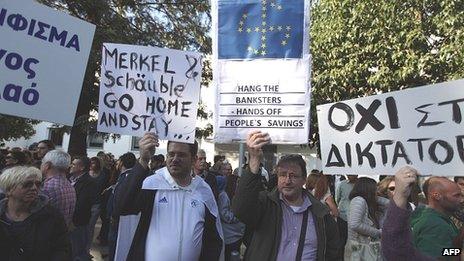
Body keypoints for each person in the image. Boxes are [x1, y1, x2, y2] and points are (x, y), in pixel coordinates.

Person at [233, 131, 340, 260]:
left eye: (293, 175)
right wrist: (254, 160)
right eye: (283, 175)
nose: (287, 180)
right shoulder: (266, 205)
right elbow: (241, 209)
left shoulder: (321, 214)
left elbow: (333, 253)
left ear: (304, 180)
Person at [114, 133, 223, 260]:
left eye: (181, 155)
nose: (175, 159)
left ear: (193, 159)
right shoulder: (152, 185)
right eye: (171, 154)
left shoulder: (203, 190)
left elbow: (213, 239)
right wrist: (143, 161)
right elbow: (121, 207)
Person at [0, 166, 71, 260]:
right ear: (9, 190)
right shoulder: (2, 216)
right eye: (27, 184)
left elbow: (62, 248)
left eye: (38, 184)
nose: (34, 188)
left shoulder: (51, 215)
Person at [381, 166, 435, 261]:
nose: (397, 191)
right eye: (392, 188)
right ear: (385, 191)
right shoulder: (382, 208)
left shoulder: (415, 208)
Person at [410, 176, 464, 258]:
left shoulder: (440, 219)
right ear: (437, 196)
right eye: (456, 196)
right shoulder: (433, 224)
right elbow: (437, 254)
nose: (461, 200)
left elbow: (445, 250)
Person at [346, 177, 389, 261]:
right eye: (375, 189)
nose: (376, 191)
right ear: (368, 189)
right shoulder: (359, 200)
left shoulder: (364, 201)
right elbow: (354, 224)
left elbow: (389, 204)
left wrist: (375, 198)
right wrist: (377, 232)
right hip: (359, 246)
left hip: (362, 246)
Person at [69, 156, 98, 261]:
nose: (70, 166)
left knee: (77, 251)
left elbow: (82, 205)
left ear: (81, 168)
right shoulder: (71, 179)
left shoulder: (89, 182)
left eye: (73, 164)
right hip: (71, 222)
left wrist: (73, 220)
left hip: (77, 223)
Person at [41, 149, 76, 227]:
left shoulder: (48, 186)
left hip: (48, 234)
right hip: (61, 233)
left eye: (42, 162)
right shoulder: (69, 184)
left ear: (47, 165)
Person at [216, 176, 245, 261]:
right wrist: (237, 216)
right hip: (230, 235)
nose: (238, 185)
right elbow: (224, 214)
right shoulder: (223, 195)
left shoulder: (232, 194)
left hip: (234, 234)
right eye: (237, 182)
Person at [335, 174, 357, 258]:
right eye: (348, 174)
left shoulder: (360, 184)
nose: (349, 176)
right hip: (343, 215)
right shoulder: (342, 184)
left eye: (351, 174)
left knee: (355, 240)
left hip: (355, 216)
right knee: (342, 239)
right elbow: (337, 198)